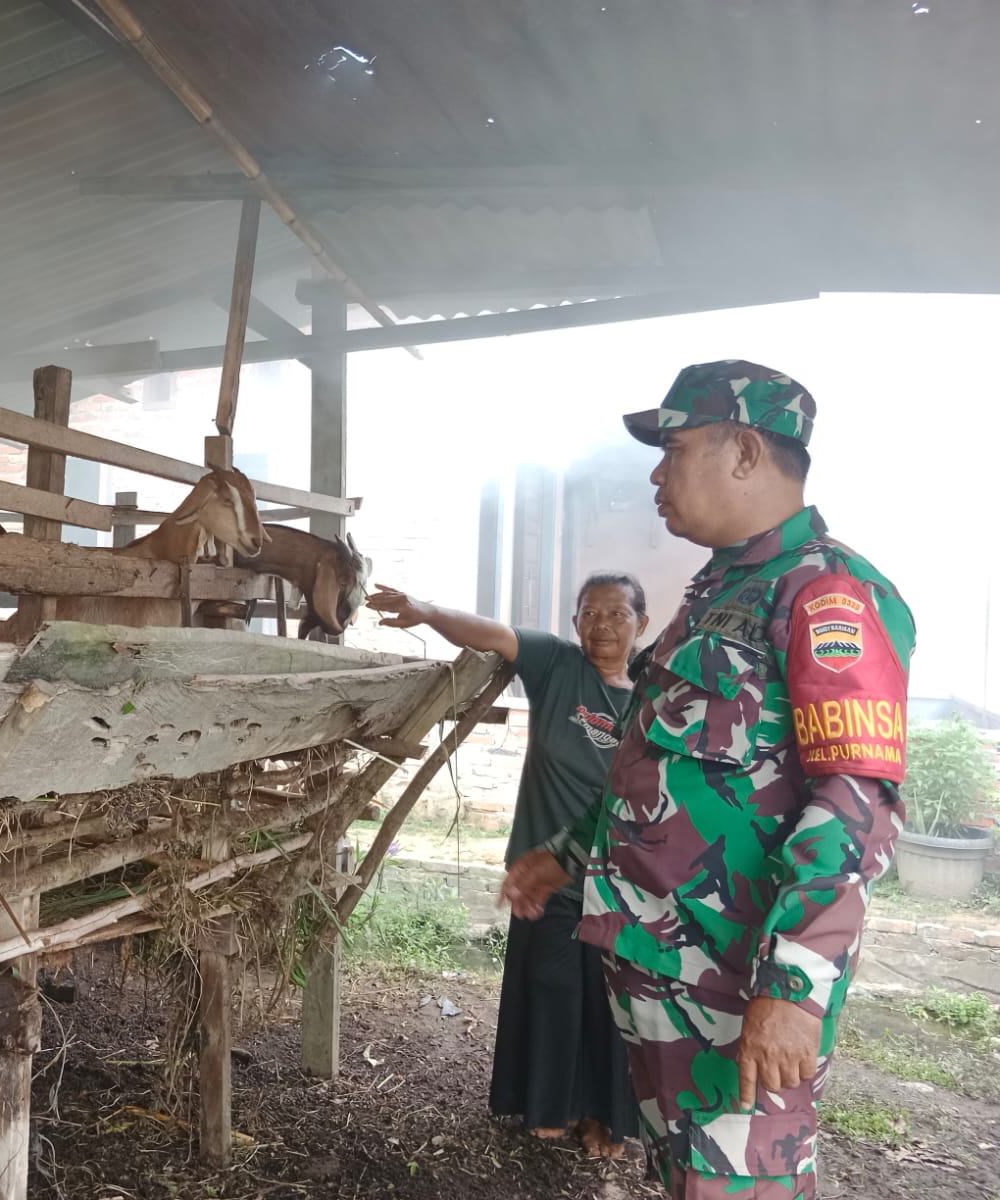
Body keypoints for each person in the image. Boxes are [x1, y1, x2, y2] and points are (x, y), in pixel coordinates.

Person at [501, 360, 915, 1200]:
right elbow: (657, 773)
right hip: (661, 972)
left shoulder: (827, 593)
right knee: (684, 1178)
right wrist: (569, 853)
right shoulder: (717, 590)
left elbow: (856, 803)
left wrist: (795, 990)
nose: (656, 473)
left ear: (746, 452)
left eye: (676, 448)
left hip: (736, 987)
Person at [367, 573, 649, 1158]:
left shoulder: (654, 702)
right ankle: (549, 1106)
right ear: (575, 622)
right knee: (551, 985)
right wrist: (425, 606)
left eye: (618, 615)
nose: (602, 626)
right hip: (543, 874)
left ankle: (606, 1117)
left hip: (622, 882)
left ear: (641, 626)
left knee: (612, 1002)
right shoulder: (557, 665)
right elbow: (494, 634)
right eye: (590, 613)